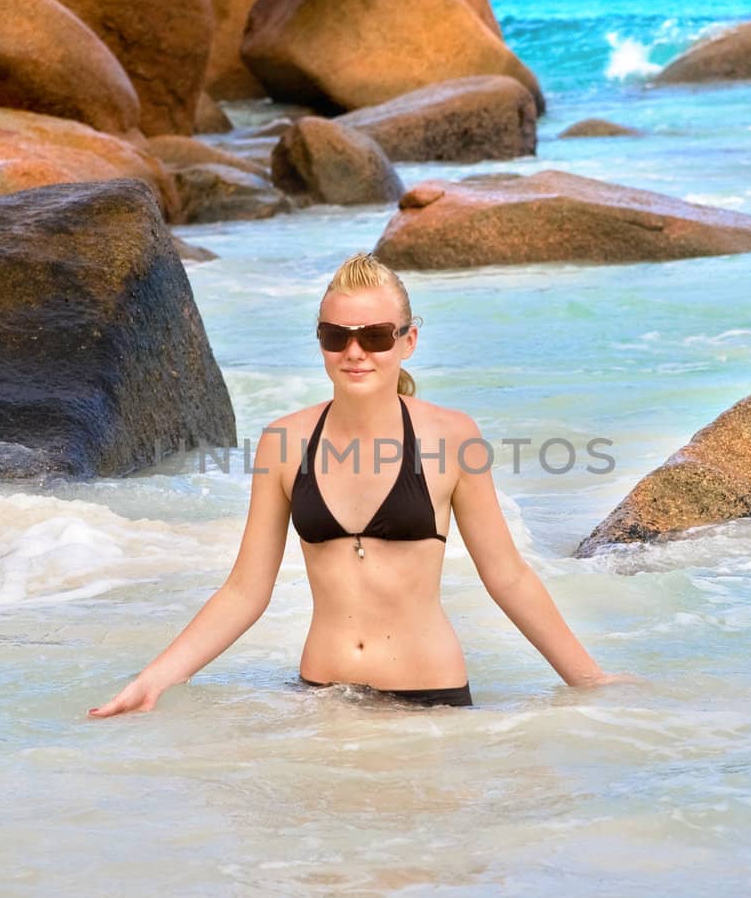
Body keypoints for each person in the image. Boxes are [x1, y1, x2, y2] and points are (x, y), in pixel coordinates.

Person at [89, 253, 620, 716]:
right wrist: (156, 677)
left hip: (429, 704)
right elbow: (245, 592)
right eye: (336, 336)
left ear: (408, 340)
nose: (355, 351)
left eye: (375, 336)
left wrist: (589, 680)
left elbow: (508, 576)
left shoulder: (453, 436)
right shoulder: (283, 442)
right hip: (321, 702)